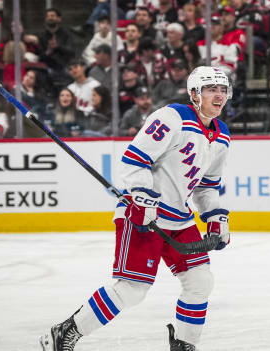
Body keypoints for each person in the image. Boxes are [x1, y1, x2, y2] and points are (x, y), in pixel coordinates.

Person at [39, 66, 232, 351]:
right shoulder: (173, 117)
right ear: (194, 93)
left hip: (179, 219)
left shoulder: (222, 135)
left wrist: (215, 216)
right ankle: (64, 333)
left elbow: (206, 186)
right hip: (142, 214)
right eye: (211, 89)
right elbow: (133, 160)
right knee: (132, 290)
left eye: (223, 90)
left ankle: (184, 345)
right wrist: (143, 197)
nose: (218, 95)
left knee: (201, 281)